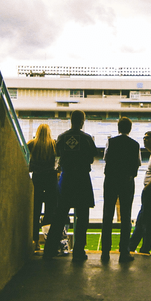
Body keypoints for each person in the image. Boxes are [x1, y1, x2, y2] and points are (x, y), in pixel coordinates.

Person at [43, 110, 99, 262]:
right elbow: (91, 158)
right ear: (82, 121)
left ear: (71, 120)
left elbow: (58, 154)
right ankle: (79, 252)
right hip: (81, 180)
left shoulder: (61, 137)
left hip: (66, 180)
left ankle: (49, 250)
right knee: (82, 217)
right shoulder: (87, 138)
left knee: (59, 216)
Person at [100, 117, 141, 262]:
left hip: (111, 180)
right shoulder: (135, 145)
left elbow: (106, 158)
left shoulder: (111, 142)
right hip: (127, 181)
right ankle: (124, 252)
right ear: (129, 129)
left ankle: (105, 252)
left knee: (107, 215)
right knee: (126, 216)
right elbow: (137, 163)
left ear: (118, 128)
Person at [26, 124, 58, 253]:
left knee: (35, 210)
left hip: (37, 179)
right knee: (50, 211)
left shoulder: (31, 144)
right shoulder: (53, 144)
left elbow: (28, 165)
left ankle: (35, 241)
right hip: (50, 179)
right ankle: (49, 242)